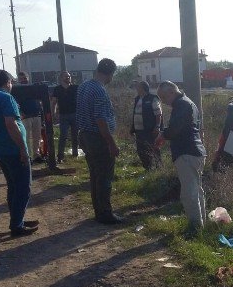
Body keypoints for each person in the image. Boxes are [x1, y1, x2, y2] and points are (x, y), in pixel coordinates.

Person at [0, 70, 39, 236]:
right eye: (11, 82)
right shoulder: (6, 98)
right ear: (7, 82)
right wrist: (22, 149)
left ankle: (17, 219)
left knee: (13, 186)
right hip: (12, 149)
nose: (11, 85)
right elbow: (11, 124)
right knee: (23, 187)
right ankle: (16, 225)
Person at [154, 81, 206, 231]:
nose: (162, 101)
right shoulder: (188, 102)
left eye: (163, 97)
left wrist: (163, 135)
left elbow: (175, 129)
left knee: (188, 193)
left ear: (172, 92)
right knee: (196, 190)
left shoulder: (182, 105)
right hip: (195, 151)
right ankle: (201, 225)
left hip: (186, 152)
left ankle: (195, 228)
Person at [76, 58, 122, 224]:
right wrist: (112, 143)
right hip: (98, 138)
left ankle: (99, 211)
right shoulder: (100, 91)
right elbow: (100, 120)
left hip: (85, 136)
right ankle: (105, 213)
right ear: (110, 74)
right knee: (104, 177)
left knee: (95, 175)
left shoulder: (84, 86)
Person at [130, 80, 162, 170]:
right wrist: (132, 128)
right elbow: (135, 114)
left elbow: (158, 114)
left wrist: (157, 126)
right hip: (139, 130)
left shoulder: (152, 98)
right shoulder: (137, 99)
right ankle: (148, 168)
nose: (136, 88)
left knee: (154, 148)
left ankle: (159, 167)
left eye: (138, 87)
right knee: (141, 150)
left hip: (150, 130)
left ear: (143, 88)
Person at [15, 71, 44, 163]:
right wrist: (21, 113)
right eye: (21, 78)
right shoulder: (17, 90)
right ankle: (28, 156)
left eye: (25, 78)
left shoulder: (33, 88)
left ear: (28, 78)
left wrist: (40, 112)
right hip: (25, 116)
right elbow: (16, 103)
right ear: (18, 80)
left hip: (36, 115)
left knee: (37, 137)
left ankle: (36, 155)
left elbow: (40, 100)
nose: (24, 80)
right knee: (26, 138)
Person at [51, 71, 78, 163]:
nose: (68, 78)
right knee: (63, 135)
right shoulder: (57, 89)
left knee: (75, 135)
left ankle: (75, 154)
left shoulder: (75, 88)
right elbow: (54, 102)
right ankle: (60, 156)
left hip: (75, 114)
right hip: (63, 115)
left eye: (69, 76)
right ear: (61, 78)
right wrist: (53, 113)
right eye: (66, 76)